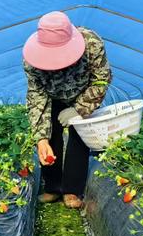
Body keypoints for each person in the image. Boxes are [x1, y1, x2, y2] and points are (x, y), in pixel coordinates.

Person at [23, 11, 111, 209]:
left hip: (83, 94)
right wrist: (41, 138)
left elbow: (101, 79)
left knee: (80, 135)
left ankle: (72, 189)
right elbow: (37, 96)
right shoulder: (31, 60)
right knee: (50, 136)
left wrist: (79, 109)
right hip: (53, 97)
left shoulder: (92, 44)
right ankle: (52, 187)